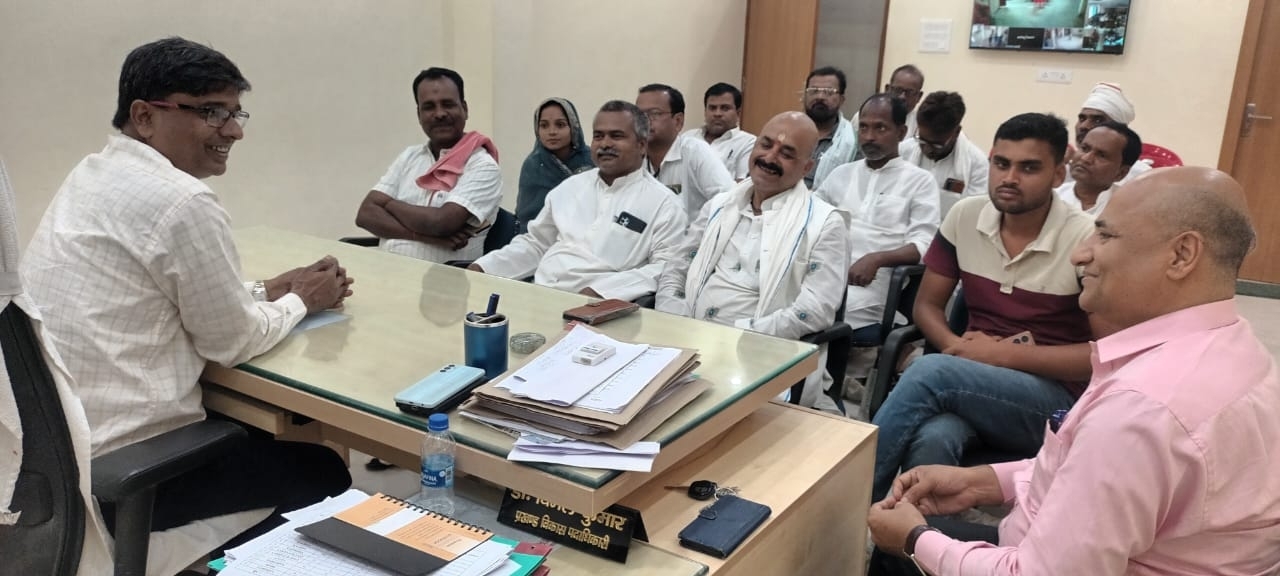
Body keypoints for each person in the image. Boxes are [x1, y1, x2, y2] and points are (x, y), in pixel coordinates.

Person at [20, 37, 353, 544]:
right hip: (132, 476)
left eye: (236, 113)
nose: (235, 131)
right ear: (144, 116)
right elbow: (231, 342)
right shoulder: (183, 201)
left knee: (256, 431)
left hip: (59, 467)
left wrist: (266, 289)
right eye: (211, 112)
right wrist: (303, 300)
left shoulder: (92, 175)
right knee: (323, 470)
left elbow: (151, 300)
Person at [868, 167, 1280, 575]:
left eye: (1106, 236)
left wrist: (913, 540)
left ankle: (850, 500)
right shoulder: (1240, 350)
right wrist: (984, 482)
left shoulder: (1140, 409)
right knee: (937, 432)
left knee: (895, 550)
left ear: (1181, 255)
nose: (1080, 255)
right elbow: (1090, 477)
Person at [869, 113, 1095, 503]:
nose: (1010, 178)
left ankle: (844, 503)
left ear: (1059, 175)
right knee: (935, 439)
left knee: (932, 371)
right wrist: (959, 348)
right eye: (1001, 164)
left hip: (1056, 403)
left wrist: (1000, 355)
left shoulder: (1086, 238)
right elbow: (927, 305)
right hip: (975, 381)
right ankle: (912, 539)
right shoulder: (966, 216)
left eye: (1029, 168)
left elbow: (1103, 357)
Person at [658, 112, 850, 411]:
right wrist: (673, 317)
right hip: (688, 340)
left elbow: (815, 310)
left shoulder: (825, 224)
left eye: (787, 153)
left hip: (758, 353)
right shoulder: (719, 206)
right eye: (766, 144)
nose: (770, 158)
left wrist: (741, 334)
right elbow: (677, 265)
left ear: (806, 168)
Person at [470, 101, 688, 301]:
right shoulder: (570, 187)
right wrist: (484, 267)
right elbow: (536, 244)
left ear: (641, 145)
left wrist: (602, 292)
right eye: (598, 136)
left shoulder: (664, 204)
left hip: (599, 308)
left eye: (616, 136)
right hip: (540, 294)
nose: (605, 144)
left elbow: (665, 268)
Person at [816, 95, 939, 343]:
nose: (869, 136)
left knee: (819, 314)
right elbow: (810, 218)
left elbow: (924, 245)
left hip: (872, 289)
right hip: (824, 275)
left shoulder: (920, 182)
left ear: (901, 132)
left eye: (880, 128)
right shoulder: (841, 174)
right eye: (863, 127)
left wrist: (877, 259)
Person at [355, 67, 503, 263]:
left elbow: (441, 223)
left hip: (445, 276)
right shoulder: (410, 156)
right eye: (429, 107)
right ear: (419, 115)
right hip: (387, 269)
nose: (439, 113)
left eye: (447, 104)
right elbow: (365, 215)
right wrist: (426, 238)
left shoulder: (483, 165)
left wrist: (388, 204)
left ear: (465, 109)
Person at [635, 84, 734, 220]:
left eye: (654, 114)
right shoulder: (633, 156)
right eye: (639, 115)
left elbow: (727, 199)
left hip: (691, 232)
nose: (644, 121)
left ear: (678, 121)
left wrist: (696, 232)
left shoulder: (695, 151)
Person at [900, 91, 989, 218]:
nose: (927, 149)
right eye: (922, 140)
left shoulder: (977, 164)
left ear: (956, 132)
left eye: (936, 145)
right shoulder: (903, 151)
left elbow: (974, 214)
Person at [515, 98, 594, 234]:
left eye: (560, 125)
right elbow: (527, 217)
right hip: (542, 237)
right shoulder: (533, 165)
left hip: (589, 235)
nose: (552, 132)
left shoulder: (591, 160)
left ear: (574, 126)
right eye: (544, 126)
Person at [1064, 82, 1151, 186]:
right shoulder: (1065, 166)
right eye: (1082, 119)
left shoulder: (1142, 176)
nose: (1084, 126)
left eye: (1097, 120)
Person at [1054, 121, 1142, 216]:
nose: (1085, 158)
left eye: (1101, 155)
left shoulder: (1130, 211)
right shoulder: (1052, 196)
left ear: (1121, 173)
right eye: (1084, 148)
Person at [684, 82, 757, 181]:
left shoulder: (748, 143)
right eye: (712, 108)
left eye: (725, 108)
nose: (717, 114)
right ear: (705, 111)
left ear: (738, 113)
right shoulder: (688, 137)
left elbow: (741, 184)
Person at [805, 66, 857, 189]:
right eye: (814, 91)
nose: (820, 97)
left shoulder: (853, 143)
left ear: (841, 99)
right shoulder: (789, 130)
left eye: (829, 92)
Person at [852, 65, 926, 139]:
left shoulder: (922, 124)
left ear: (919, 96)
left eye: (909, 92)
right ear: (887, 89)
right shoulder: (864, 116)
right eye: (898, 90)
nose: (902, 97)